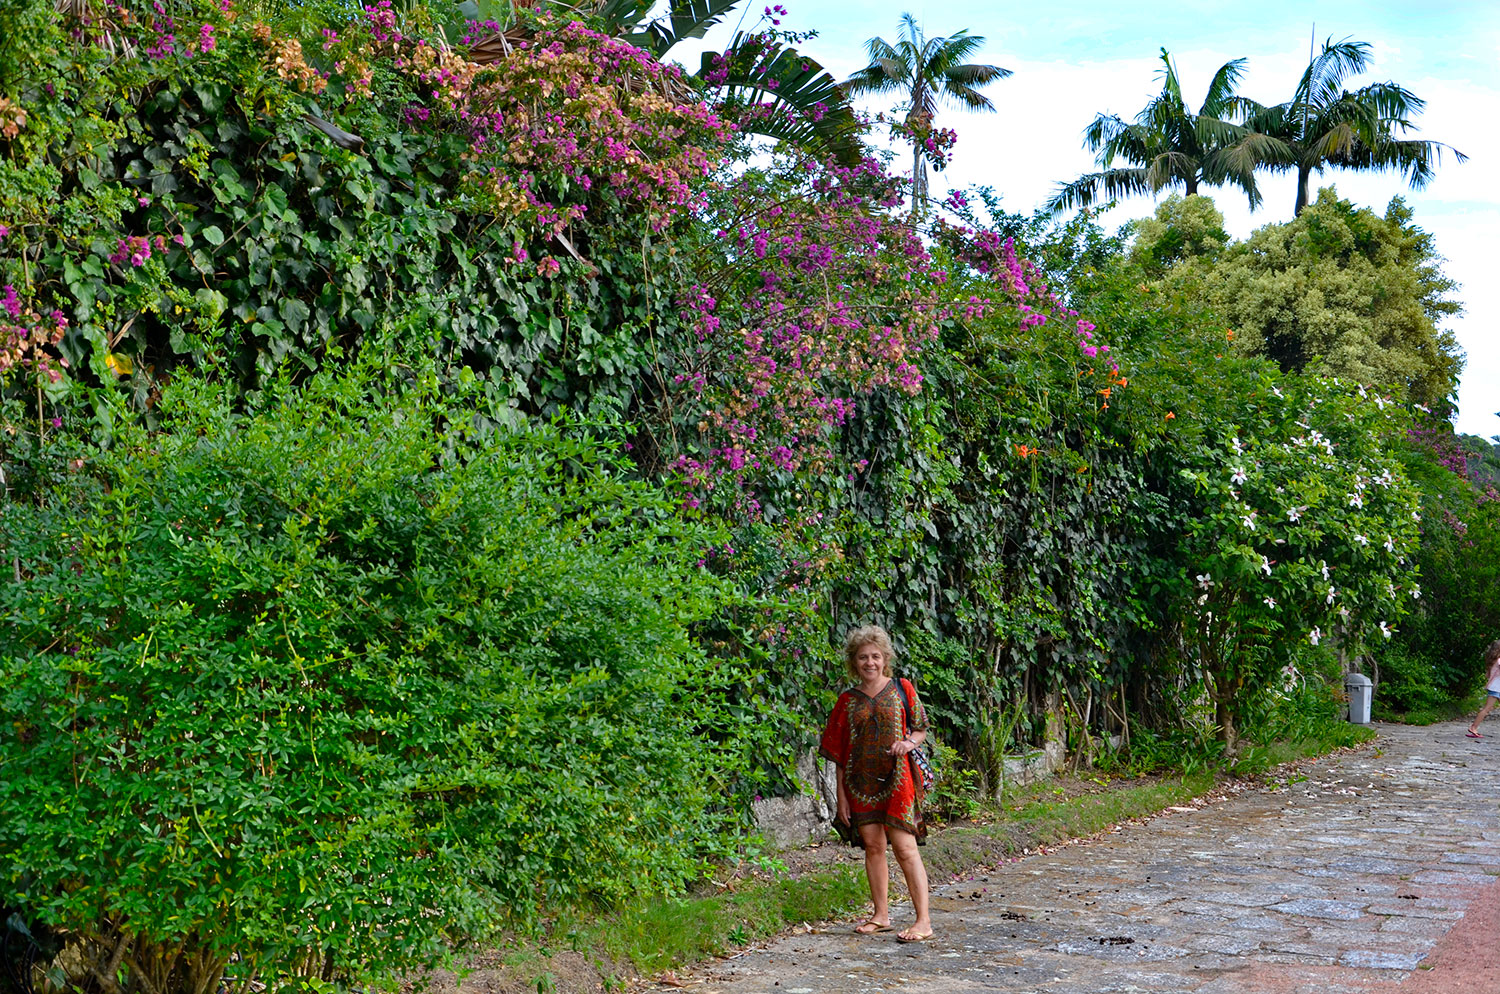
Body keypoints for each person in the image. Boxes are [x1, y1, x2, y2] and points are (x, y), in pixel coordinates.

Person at [819, 625, 933, 943]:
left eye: (875, 656)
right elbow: (840, 755)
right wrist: (841, 798)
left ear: (885, 659)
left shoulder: (902, 688)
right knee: (873, 847)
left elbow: (920, 728)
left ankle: (923, 921)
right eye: (863, 657)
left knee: (905, 848)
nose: (870, 662)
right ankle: (880, 915)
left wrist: (909, 743)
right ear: (853, 662)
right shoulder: (847, 701)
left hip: (899, 782)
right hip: (859, 786)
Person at [1465, 639, 1500, 738]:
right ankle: (1473, 727)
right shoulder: (1499, 661)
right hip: (1496, 688)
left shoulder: (1492, 661)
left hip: (1496, 687)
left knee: (1487, 708)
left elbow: (1487, 675)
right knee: (1487, 709)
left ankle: (1474, 727)